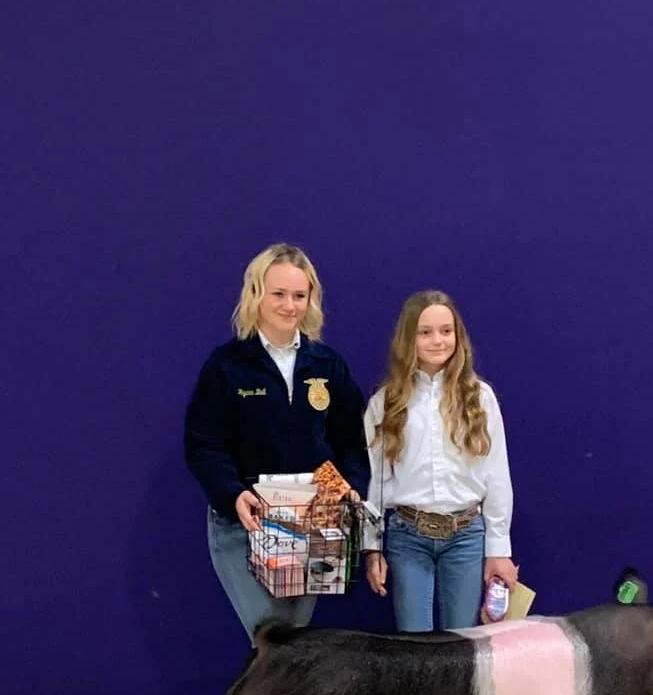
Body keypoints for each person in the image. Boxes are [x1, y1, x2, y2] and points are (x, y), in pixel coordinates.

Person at [184, 243, 370, 641]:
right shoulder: (227, 366)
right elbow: (203, 444)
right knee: (272, 640)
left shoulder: (327, 364)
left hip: (312, 522)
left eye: (299, 295)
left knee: (294, 647)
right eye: (279, 294)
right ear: (257, 294)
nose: (289, 306)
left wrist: (351, 487)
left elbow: (353, 440)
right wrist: (232, 493)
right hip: (246, 523)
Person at [363, 290, 518, 631]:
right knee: (414, 643)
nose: (438, 340)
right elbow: (377, 482)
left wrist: (499, 549)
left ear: (458, 336)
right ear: (408, 339)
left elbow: (496, 476)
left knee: (461, 642)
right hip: (408, 536)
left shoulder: (480, 398)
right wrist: (372, 547)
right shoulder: (385, 403)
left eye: (446, 331)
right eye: (425, 332)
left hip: (466, 536)